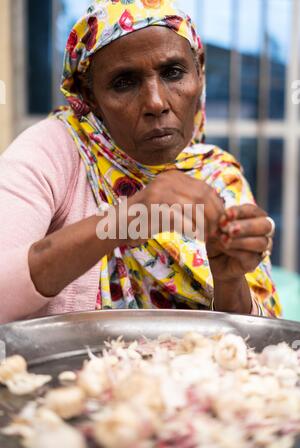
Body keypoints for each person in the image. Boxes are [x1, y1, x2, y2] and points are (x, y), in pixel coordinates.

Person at [0, 0, 281, 324]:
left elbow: (256, 343)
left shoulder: (217, 176)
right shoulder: (55, 151)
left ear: (199, 71)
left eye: (173, 73)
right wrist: (121, 221)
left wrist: (230, 280)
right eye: (124, 82)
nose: (156, 102)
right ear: (90, 97)